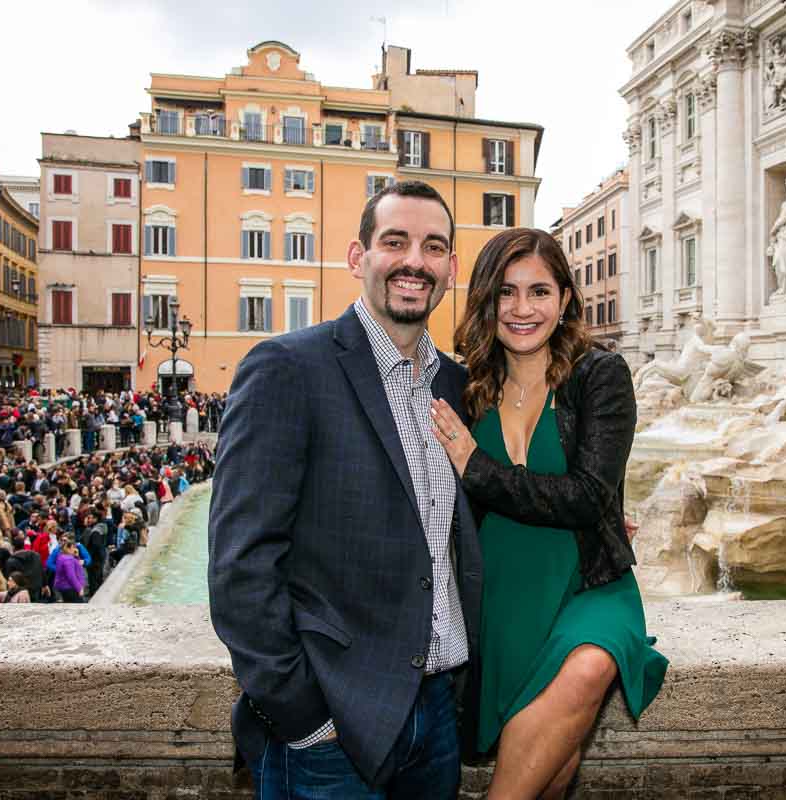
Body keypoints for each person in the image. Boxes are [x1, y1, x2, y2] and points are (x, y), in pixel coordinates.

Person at [208, 180, 482, 799]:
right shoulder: (287, 367)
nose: (415, 261)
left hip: (436, 713)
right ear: (358, 258)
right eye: (396, 241)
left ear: (450, 269)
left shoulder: (459, 386)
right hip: (333, 725)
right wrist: (305, 718)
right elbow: (240, 564)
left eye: (433, 247)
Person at [429, 228, 668, 799]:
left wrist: (476, 465)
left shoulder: (599, 376)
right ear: (487, 302)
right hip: (502, 590)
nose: (521, 309)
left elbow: (586, 494)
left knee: (589, 667)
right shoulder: (465, 385)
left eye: (538, 291)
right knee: (551, 770)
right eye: (505, 293)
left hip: (587, 582)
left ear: (564, 300)